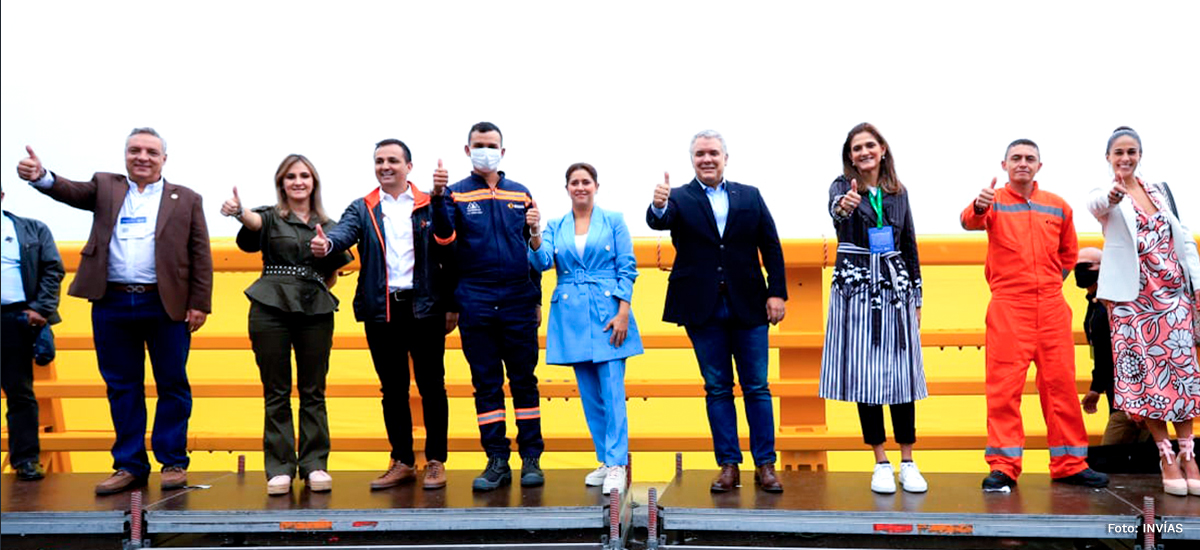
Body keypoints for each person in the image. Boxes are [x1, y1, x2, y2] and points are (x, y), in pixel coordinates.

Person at [16, 129, 213, 494]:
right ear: (125, 155)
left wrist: (200, 303)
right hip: (112, 302)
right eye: (134, 150)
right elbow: (72, 191)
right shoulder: (106, 187)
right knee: (122, 386)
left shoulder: (186, 198)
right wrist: (42, 177)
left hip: (165, 304)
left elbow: (200, 253)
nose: (142, 157)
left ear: (164, 159)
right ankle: (129, 464)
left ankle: (173, 462)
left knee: (172, 383)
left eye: (151, 152)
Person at [960, 138, 1108, 492]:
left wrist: (1048, 284)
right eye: (1016, 158)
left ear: (1039, 166)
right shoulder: (991, 202)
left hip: (1052, 306)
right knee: (1004, 389)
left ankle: (1070, 463)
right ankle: (1004, 466)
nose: (1023, 163)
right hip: (1010, 307)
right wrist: (978, 206)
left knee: (1060, 387)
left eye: (1029, 158)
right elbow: (969, 221)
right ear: (1004, 165)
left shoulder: (1057, 206)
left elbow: (1069, 252)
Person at [646, 129, 787, 493]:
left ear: (726, 157)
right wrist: (658, 204)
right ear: (691, 160)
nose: (706, 159)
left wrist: (778, 294)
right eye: (699, 154)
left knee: (757, 386)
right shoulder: (678, 198)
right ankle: (728, 465)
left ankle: (766, 465)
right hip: (702, 308)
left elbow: (771, 246)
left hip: (749, 305)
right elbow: (659, 220)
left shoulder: (750, 196)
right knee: (717, 388)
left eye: (713, 153)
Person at [311, 139, 454, 490]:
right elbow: (343, 234)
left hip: (425, 308)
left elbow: (449, 246)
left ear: (409, 166)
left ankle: (435, 461)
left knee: (432, 386)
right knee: (392, 389)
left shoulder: (428, 203)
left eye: (393, 160)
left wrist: (453, 304)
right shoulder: (363, 207)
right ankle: (402, 460)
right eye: (379, 161)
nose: (385, 166)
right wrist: (326, 245)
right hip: (383, 309)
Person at [221, 154, 351, 495]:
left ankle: (314, 465)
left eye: (304, 176)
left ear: (314, 182)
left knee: (313, 390)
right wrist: (238, 211)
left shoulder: (330, 224)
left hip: (315, 310)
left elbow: (334, 275)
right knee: (276, 390)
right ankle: (279, 467)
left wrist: (320, 264)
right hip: (269, 307)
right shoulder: (270, 216)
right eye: (290, 176)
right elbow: (252, 224)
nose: (298, 181)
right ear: (282, 183)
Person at [1086, 126, 1200, 496]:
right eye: (1118, 152)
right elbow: (1097, 205)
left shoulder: (1160, 192)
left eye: (1131, 151)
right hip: (1133, 302)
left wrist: (1196, 287)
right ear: (1108, 157)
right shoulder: (1105, 195)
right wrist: (1114, 193)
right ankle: (1165, 455)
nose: (1125, 158)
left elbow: (1182, 238)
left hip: (1173, 298)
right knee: (1146, 379)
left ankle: (1188, 453)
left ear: (1140, 154)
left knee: (1182, 375)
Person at [431, 122, 544, 492]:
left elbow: (533, 248)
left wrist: (536, 296)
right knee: (486, 383)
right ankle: (497, 458)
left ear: (503, 151)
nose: (485, 150)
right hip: (475, 298)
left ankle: (531, 457)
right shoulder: (455, 194)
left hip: (517, 298)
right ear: (467, 151)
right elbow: (444, 242)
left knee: (524, 380)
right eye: (478, 145)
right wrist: (436, 197)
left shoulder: (521, 194)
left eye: (491, 145)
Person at [820, 123, 928, 494]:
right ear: (849, 156)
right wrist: (845, 207)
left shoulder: (898, 193)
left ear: (882, 149)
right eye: (856, 148)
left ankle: (909, 459)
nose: (863, 152)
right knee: (865, 375)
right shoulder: (841, 187)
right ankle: (880, 460)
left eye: (869, 145)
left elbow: (909, 242)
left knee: (902, 376)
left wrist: (917, 295)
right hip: (856, 288)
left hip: (895, 287)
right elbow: (838, 214)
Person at [529, 163, 643, 495]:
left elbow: (627, 266)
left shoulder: (614, 220)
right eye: (574, 182)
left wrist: (623, 312)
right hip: (572, 314)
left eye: (586, 181)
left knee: (612, 390)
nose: (580, 187)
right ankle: (606, 461)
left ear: (596, 186)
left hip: (608, 311)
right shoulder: (555, 225)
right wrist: (534, 234)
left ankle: (618, 463)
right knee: (590, 394)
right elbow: (541, 262)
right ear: (566, 188)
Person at [2, 183, 65, 481]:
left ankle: (26, 459)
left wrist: (41, 309)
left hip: (14, 317)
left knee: (20, 392)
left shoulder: (31, 229)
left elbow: (53, 269)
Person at [1075, 247, 1148, 446]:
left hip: (1129, 398)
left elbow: (1112, 351)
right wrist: (1097, 388)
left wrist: (1097, 388)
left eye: (1087, 266)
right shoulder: (1094, 305)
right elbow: (1101, 351)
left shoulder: (1113, 306)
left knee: (1110, 457)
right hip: (1120, 395)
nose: (1079, 271)